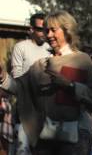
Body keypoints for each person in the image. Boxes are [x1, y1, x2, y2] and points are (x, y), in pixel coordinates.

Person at [0, 10, 92, 155]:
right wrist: (3, 76)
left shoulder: (82, 60)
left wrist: (70, 85)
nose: (48, 35)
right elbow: (20, 88)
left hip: (76, 138)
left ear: (67, 30)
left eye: (53, 30)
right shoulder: (41, 64)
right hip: (46, 137)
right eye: (47, 30)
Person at [10, 12, 51, 155]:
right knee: (23, 149)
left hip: (47, 111)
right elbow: (17, 77)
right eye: (40, 29)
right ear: (31, 29)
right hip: (25, 110)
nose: (44, 32)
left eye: (46, 29)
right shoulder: (21, 47)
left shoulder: (50, 49)